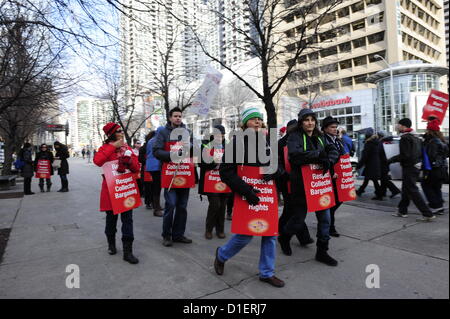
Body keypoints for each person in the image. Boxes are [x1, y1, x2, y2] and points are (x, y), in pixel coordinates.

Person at [214, 107, 285, 288]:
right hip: (247, 195)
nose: (258, 122)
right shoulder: (236, 144)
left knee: (270, 235)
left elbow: (280, 166)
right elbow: (226, 173)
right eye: (254, 119)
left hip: (267, 196)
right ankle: (221, 255)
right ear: (245, 123)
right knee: (245, 236)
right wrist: (247, 191)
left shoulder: (267, 141)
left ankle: (267, 273)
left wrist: (274, 171)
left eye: (259, 120)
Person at [279, 108, 340, 266]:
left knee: (325, 219)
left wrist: (330, 160)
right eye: (306, 120)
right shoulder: (294, 136)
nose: (310, 122)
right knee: (298, 219)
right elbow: (295, 156)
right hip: (301, 185)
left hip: (320, 185)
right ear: (301, 121)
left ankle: (322, 251)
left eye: (312, 119)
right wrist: (318, 156)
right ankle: (284, 237)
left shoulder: (321, 137)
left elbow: (333, 150)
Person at [93, 122, 140, 264]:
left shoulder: (128, 148)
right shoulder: (105, 148)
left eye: (121, 130)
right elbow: (97, 161)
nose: (122, 132)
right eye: (119, 130)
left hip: (126, 190)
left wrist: (129, 160)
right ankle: (111, 244)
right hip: (110, 190)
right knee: (111, 219)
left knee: (128, 220)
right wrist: (113, 147)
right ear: (112, 134)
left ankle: (128, 252)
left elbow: (136, 167)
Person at [153, 108, 194, 246]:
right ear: (170, 118)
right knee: (170, 205)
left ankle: (178, 234)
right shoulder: (162, 132)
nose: (178, 118)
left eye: (180, 116)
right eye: (175, 116)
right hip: (170, 174)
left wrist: (189, 147)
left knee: (182, 206)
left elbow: (195, 148)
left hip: (185, 173)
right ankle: (166, 235)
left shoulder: (187, 132)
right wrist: (172, 155)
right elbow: (156, 151)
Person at [277, 119, 314, 256]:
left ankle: (284, 231)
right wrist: (284, 174)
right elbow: (276, 162)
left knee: (290, 210)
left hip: (299, 181)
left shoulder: (301, 140)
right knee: (294, 210)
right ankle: (300, 237)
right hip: (286, 182)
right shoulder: (281, 144)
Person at [388, 118, 435, 222]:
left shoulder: (405, 138)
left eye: (398, 124)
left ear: (403, 126)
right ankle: (402, 211)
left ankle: (427, 214)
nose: (397, 126)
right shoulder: (416, 137)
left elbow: (405, 155)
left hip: (409, 167)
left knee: (413, 190)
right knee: (406, 189)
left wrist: (391, 160)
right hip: (416, 166)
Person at [199, 124, 229, 240]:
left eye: (221, 135)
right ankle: (209, 229)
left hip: (225, 180)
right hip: (210, 179)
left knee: (223, 206)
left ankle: (220, 229)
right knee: (215, 204)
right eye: (217, 135)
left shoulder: (228, 146)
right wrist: (214, 162)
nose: (219, 137)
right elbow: (201, 163)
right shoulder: (205, 145)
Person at [322, 116, 347, 237]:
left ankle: (328, 223)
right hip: (328, 175)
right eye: (332, 127)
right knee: (331, 202)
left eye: (336, 127)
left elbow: (342, 155)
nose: (335, 129)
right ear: (325, 128)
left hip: (338, 174)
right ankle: (330, 227)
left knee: (339, 199)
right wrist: (331, 171)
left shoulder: (337, 140)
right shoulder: (322, 140)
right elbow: (326, 158)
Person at [421, 119, 449, 215]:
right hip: (442, 169)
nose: (425, 131)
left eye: (427, 129)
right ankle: (439, 207)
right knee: (436, 187)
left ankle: (436, 205)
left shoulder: (432, 142)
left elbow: (430, 156)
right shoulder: (442, 141)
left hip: (433, 169)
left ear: (430, 131)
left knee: (426, 185)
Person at [355, 128, 383, 200]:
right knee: (368, 179)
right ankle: (360, 191)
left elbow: (365, 156)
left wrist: (358, 166)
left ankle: (379, 195)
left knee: (373, 180)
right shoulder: (376, 142)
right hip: (374, 164)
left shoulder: (369, 144)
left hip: (371, 165)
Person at [377, 131, 401, 199]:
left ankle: (395, 190)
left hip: (383, 163)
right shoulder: (389, 142)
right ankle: (382, 193)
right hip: (388, 162)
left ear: (380, 136)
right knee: (383, 178)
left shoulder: (381, 143)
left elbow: (379, 153)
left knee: (384, 179)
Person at [147, 128, 164, 216]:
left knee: (156, 186)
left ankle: (156, 206)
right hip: (156, 165)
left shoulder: (151, 140)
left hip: (151, 165)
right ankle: (156, 209)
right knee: (157, 187)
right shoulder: (158, 140)